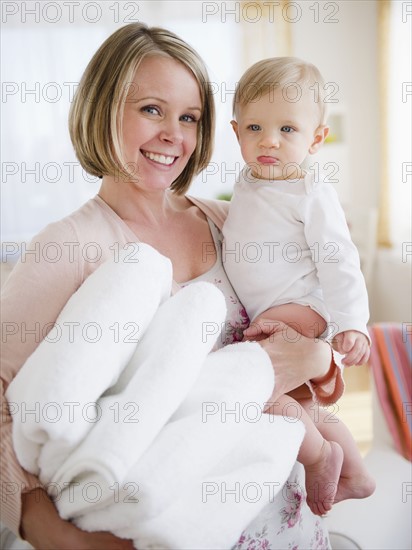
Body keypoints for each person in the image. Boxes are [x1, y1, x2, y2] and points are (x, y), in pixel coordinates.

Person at [1, 25, 345, 549]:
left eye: (189, 117)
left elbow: (321, 324)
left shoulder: (233, 223)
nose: (174, 135)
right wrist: (57, 537)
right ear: (103, 108)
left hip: (288, 524)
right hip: (158, 530)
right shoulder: (67, 246)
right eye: (152, 110)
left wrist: (316, 361)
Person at [222, 57, 376, 516]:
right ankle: (356, 473)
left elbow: (340, 260)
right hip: (273, 309)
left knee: (250, 387)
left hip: (297, 307)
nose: (268, 140)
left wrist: (354, 323)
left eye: (287, 129)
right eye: (254, 127)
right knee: (303, 409)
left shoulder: (310, 191)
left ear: (316, 138)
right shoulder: (248, 182)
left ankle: (319, 458)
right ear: (235, 132)